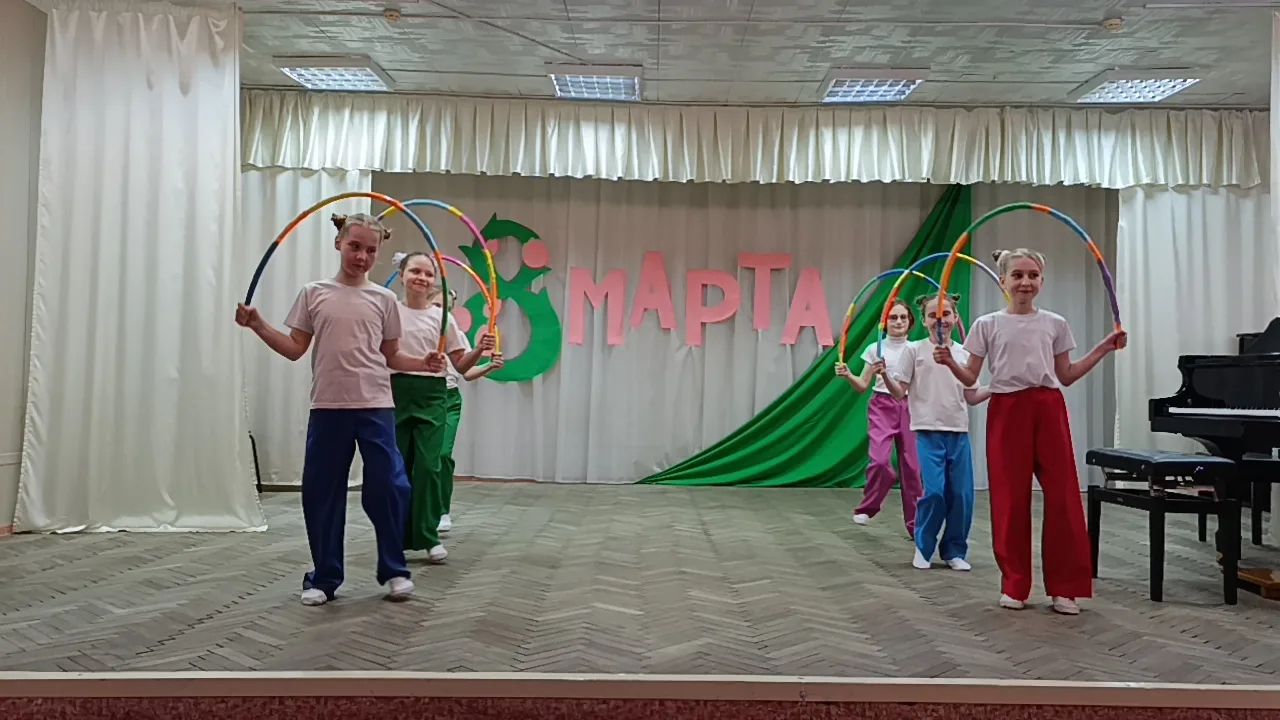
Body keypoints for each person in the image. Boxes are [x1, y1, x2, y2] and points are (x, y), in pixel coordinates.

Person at [235, 213, 444, 606]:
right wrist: (258, 325)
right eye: (354, 246)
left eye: (370, 250)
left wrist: (423, 363)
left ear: (378, 253)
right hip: (329, 407)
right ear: (339, 244)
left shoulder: (383, 299)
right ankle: (325, 577)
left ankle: (394, 569)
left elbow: (392, 356)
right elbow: (295, 349)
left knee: (391, 486)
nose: (362, 256)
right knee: (322, 492)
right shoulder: (314, 293)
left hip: (376, 406)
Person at [936, 248, 1127, 615]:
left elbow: (1067, 375)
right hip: (1006, 411)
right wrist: (948, 362)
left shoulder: (1055, 323)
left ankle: (1065, 588)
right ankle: (1015, 584)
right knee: (1009, 499)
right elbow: (971, 377)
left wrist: (1104, 347)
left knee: (1064, 497)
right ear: (1003, 281)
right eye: (1018, 275)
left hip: (1048, 408)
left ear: (1042, 280)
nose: (1026, 282)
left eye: (1033, 275)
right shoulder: (987, 324)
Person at [392, 253, 492, 562]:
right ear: (401, 274)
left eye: (428, 273)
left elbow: (460, 365)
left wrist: (480, 349)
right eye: (415, 271)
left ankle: (428, 534)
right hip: (395, 394)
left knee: (429, 466)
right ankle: (396, 536)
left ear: (435, 279)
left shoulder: (443, 319)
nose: (421, 278)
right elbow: (379, 353)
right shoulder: (389, 312)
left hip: (434, 396)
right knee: (397, 469)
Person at [882, 294, 990, 572]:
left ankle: (954, 550)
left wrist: (997, 386)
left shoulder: (964, 354)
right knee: (934, 493)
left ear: (956, 318)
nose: (939, 320)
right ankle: (924, 547)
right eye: (932, 315)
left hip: (958, 434)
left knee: (962, 496)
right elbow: (900, 392)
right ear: (923, 320)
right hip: (927, 434)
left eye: (945, 314)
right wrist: (884, 376)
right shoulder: (914, 351)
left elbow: (972, 396)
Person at [835, 300, 923, 537]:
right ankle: (869, 506)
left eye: (903, 317)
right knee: (880, 462)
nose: (898, 322)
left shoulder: (916, 349)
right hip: (882, 406)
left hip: (910, 406)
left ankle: (916, 526)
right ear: (884, 322)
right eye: (893, 317)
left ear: (910, 322)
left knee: (913, 468)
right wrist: (848, 375)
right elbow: (862, 385)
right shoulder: (876, 349)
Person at [435, 289, 506, 534]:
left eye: (447, 306)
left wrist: (488, 365)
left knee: (442, 455)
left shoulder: (454, 334)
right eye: (437, 304)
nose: (441, 310)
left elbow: (465, 371)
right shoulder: (410, 326)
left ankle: (441, 510)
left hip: (448, 399)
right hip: (416, 397)